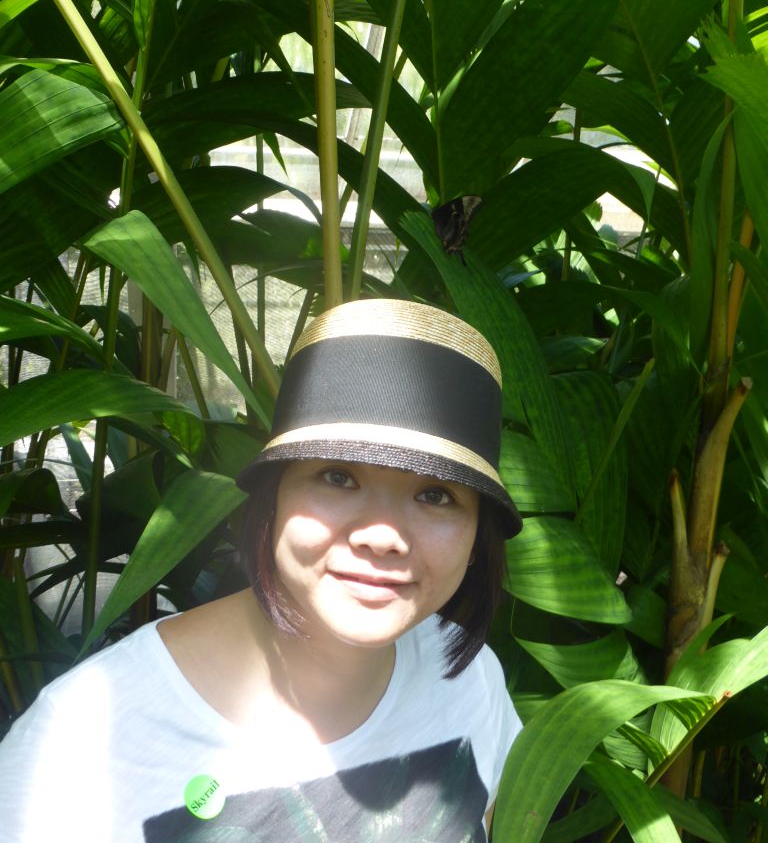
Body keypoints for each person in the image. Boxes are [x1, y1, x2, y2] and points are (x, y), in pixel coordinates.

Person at [0, 298, 523, 842]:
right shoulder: (83, 743)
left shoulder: (466, 679)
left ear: (476, 537)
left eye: (435, 494)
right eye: (338, 477)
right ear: (272, 500)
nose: (383, 535)